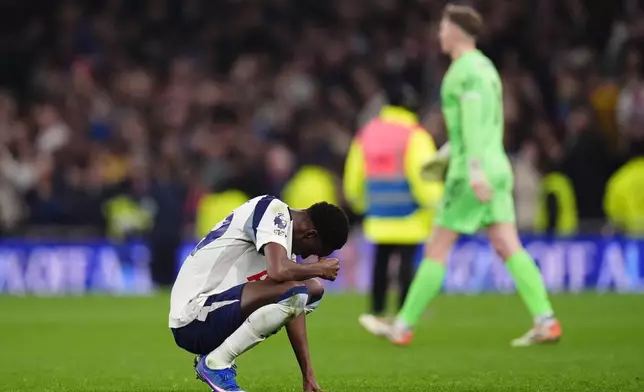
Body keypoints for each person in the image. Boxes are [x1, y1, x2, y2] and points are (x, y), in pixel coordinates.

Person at [360, 4, 561, 347]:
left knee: (437, 247)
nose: (439, 34)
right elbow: (484, 124)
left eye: (442, 27)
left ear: (456, 31)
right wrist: (447, 156)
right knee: (507, 243)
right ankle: (546, 319)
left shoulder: (461, 72)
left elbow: (469, 124)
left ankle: (403, 325)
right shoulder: (487, 68)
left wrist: (472, 170)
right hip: (498, 165)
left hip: (473, 171)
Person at [169, 195, 349, 392]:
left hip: (217, 314)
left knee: (313, 289)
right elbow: (278, 271)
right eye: (313, 251)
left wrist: (308, 375)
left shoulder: (282, 241)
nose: (307, 256)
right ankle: (216, 365)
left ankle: (215, 359)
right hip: (193, 316)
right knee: (296, 289)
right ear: (310, 234)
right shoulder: (272, 211)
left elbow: (295, 307)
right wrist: (319, 268)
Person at [343, 79, 442, 326]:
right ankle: (405, 311)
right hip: (408, 212)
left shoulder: (368, 132)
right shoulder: (415, 134)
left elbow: (355, 171)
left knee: (381, 260)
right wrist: (435, 201)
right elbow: (424, 174)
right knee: (406, 263)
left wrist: (357, 200)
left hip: (378, 210)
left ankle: (376, 308)